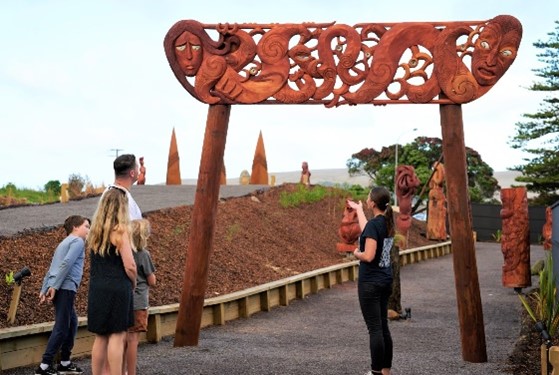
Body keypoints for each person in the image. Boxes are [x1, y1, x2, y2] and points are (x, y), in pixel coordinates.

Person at [87, 187, 137, 375]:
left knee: (101, 337)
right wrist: (132, 282)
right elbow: (130, 265)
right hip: (118, 287)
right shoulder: (120, 231)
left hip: (97, 288)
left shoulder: (94, 233)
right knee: (117, 335)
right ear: (121, 207)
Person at [347, 187, 395, 375]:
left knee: (375, 328)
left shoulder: (374, 226)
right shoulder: (386, 223)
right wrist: (358, 209)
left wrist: (356, 253)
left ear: (373, 203)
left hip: (370, 283)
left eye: (367, 198)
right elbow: (369, 228)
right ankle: (385, 371)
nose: (366, 200)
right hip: (385, 280)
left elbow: (368, 255)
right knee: (383, 326)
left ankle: (375, 372)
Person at [35, 215, 90, 375]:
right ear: (75, 227)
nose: (89, 230)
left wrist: (45, 288)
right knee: (62, 326)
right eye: (86, 226)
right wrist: (55, 286)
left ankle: (65, 362)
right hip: (64, 287)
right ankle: (44, 366)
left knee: (72, 323)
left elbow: (52, 268)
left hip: (59, 286)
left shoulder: (63, 244)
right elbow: (66, 264)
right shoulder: (78, 242)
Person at [125, 219, 156, 375]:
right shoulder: (144, 254)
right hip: (138, 303)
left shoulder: (123, 253)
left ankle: (120, 369)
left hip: (124, 301)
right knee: (132, 341)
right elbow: (151, 280)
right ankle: (131, 372)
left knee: (121, 339)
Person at [109, 154, 142, 220]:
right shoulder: (123, 199)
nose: (139, 172)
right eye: (137, 168)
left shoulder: (107, 193)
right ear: (132, 173)